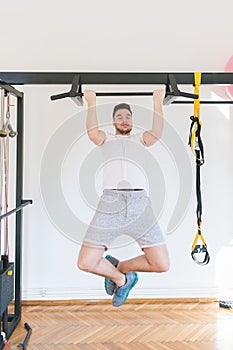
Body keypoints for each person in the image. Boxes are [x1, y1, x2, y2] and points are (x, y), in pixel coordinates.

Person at [77, 90, 170, 307]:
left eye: (127, 117)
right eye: (119, 117)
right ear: (113, 121)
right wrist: (91, 101)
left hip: (140, 204)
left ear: (132, 121)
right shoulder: (106, 139)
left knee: (161, 264)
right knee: (85, 262)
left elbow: (156, 131)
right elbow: (92, 133)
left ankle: (123, 268)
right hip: (110, 202)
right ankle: (121, 279)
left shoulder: (141, 139)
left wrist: (157, 100)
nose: (124, 120)